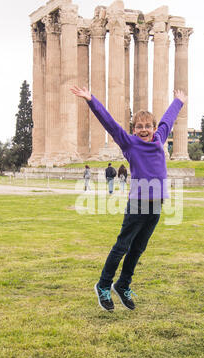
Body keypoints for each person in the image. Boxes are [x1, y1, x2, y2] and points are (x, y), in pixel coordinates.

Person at [71, 85, 187, 312]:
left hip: (156, 205)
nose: (144, 130)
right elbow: (110, 124)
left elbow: (167, 120)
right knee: (122, 246)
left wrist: (179, 102)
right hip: (137, 205)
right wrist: (91, 100)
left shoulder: (159, 138)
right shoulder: (129, 144)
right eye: (139, 127)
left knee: (138, 248)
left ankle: (123, 284)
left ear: (153, 129)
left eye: (148, 126)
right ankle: (103, 285)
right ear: (134, 130)